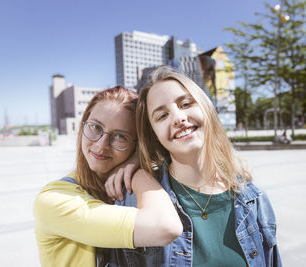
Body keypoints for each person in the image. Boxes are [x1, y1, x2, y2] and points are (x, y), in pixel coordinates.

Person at [106, 66, 282, 267]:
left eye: (186, 103)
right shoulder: (133, 204)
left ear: (206, 108)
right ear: (153, 134)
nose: (178, 118)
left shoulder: (253, 198)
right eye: (162, 116)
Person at [33, 86, 182, 267]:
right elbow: (166, 226)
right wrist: (138, 173)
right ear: (83, 125)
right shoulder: (55, 199)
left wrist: (137, 160)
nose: (102, 144)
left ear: (137, 144)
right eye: (95, 127)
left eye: (120, 136)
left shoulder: (132, 189)